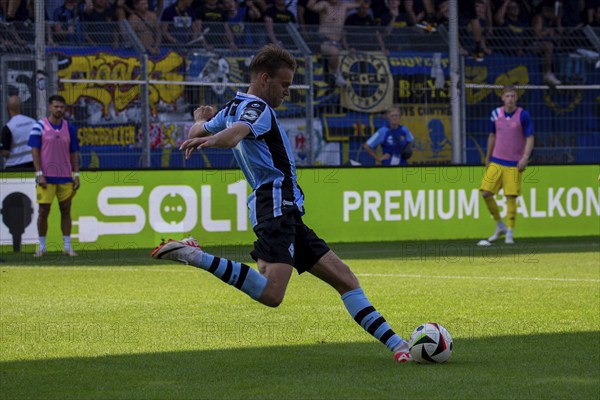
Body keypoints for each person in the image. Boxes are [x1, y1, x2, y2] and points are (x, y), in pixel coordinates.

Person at [152, 44, 412, 364]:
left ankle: (400, 347)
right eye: (285, 84)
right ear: (264, 79)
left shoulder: (233, 105)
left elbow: (198, 130)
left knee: (345, 279)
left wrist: (201, 122)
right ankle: (196, 255)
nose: (288, 92)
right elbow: (234, 135)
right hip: (275, 205)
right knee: (273, 293)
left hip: (281, 209)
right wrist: (212, 139)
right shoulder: (256, 109)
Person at [479, 85, 534, 244]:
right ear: (502, 97)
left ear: (516, 98)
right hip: (497, 160)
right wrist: (487, 157)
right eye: (507, 96)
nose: (510, 99)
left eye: (512, 96)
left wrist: (525, 158)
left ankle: (509, 232)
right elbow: (492, 135)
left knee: (511, 197)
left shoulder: (523, 115)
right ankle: (500, 225)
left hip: (514, 163)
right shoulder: (495, 114)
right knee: (485, 193)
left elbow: (530, 137)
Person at [28, 95, 80, 257]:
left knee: (66, 210)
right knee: (44, 211)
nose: (59, 110)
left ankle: (67, 246)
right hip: (46, 177)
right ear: (50, 108)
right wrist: (39, 173)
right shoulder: (39, 126)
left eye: (61, 107)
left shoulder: (69, 128)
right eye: (56, 106)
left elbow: (73, 152)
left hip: (65, 176)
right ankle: (42, 246)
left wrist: (76, 174)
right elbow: (35, 151)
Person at [307, 0, 362, 87]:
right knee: (334, 51)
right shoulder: (325, 4)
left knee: (343, 52)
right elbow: (310, 6)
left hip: (336, 42)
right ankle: (336, 74)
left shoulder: (344, 5)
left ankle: (333, 74)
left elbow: (359, 3)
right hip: (322, 40)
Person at [1, 95, 36, 169]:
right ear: (21, 107)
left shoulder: (8, 127)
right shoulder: (33, 122)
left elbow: (5, 153)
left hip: (14, 166)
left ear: (8, 109)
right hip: (33, 164)